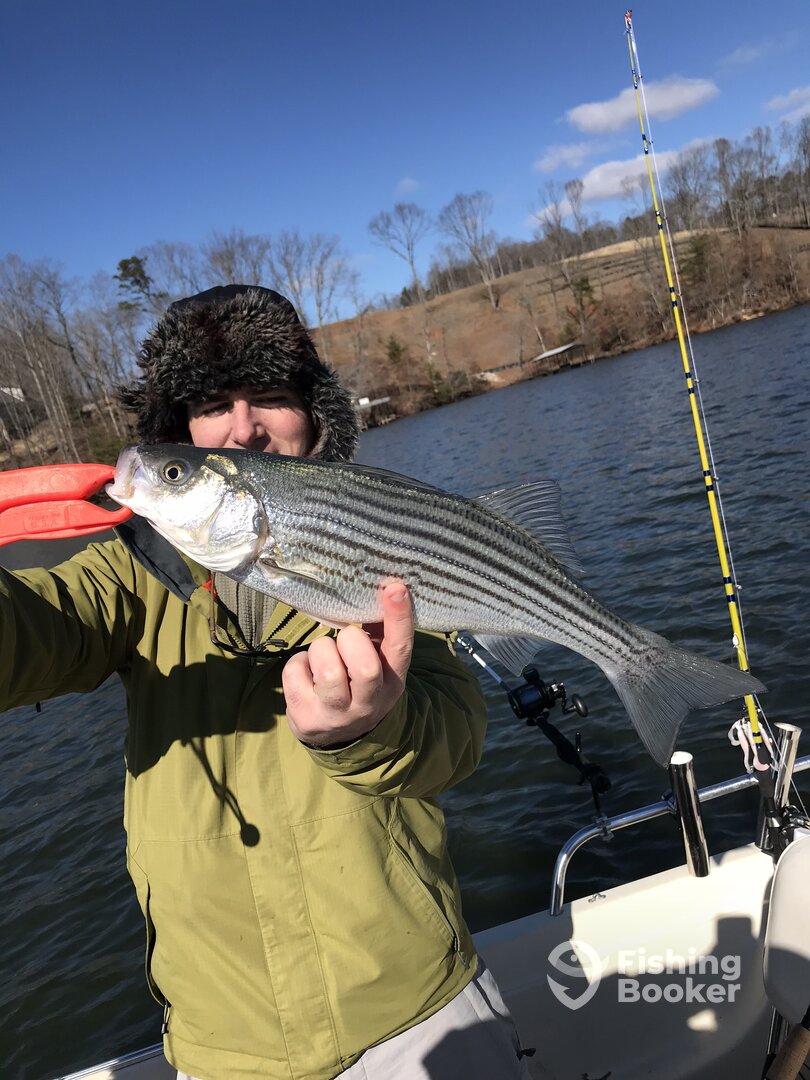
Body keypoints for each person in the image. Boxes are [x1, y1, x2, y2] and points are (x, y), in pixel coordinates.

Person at [0, 286, 533, 1079]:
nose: (243, 426)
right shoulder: (126, 572)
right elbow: (29, 635)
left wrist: (372, 729)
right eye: (212, 405)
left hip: (414, 1005)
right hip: (226, 1047)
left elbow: (454, 734)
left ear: (314, 413)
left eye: (271, 396)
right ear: (184, 428)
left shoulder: (384, 539)